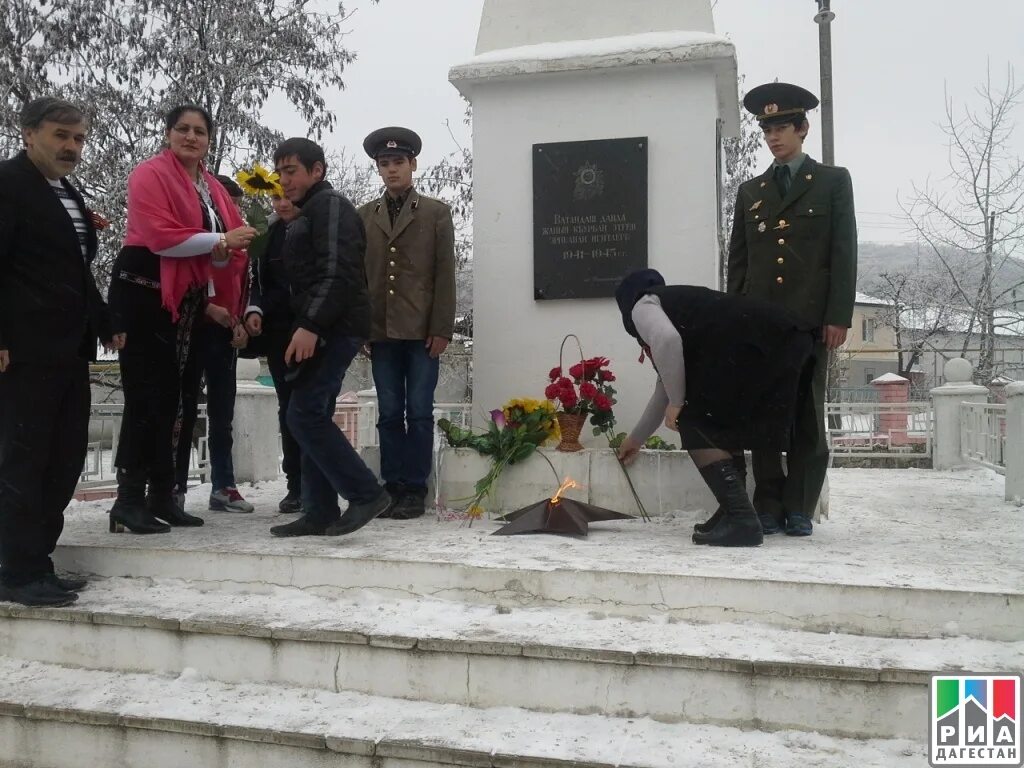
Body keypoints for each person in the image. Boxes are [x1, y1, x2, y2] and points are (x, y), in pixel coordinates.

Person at [107, 105, 256, 534]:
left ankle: (163, 495)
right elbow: (159, 237)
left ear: (210, 138)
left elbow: (214, 246)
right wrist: (221, 240)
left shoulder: (210, 187)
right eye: (183, 129)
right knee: (147, 397)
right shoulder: (150, 174)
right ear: (168, 133)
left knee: (183, 400)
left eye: (200, 131)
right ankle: (128, 499)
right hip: (145, 290)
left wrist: (223, 260)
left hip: (188, 300)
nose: (191, 137)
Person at [0, 97, 125, 607]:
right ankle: (16, 569)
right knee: (24, 459)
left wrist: (105, 321)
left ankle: (38, 561)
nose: (71, 147)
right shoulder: (8, 185)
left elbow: (74, 271)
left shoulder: (65, 191)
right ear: (29, 134)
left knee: (64, 456)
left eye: (78, 139)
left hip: (68, 349)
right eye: (60, 135)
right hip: (24, 350)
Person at [726, 82, 857, 537]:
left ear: (802, 129)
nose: (774, 137)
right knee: (762, 413)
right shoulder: (751, 191)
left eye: (782, 127)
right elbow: (738, 262)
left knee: (805, 411)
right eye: (767, 130)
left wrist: (838, 314)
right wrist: (735, 319)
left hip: (809, 322)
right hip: (761, 325)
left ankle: (799, 504)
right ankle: (767, 503)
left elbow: (843, 252)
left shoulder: (831, 182)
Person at [615, 270, 816, 548]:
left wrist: (678, 403)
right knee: (719, 420)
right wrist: (636, 439)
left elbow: (666, 341)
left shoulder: (643, 305)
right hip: (780, 336)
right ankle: (732, 513)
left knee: (696, 421)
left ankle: (741, 518)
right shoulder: (680, 308)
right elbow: (666, 381)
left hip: (763, 341)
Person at [268, 138, 391, 538]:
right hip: (320, 325)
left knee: (303, 413)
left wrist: (312, 326)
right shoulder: (308, 213)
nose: (284, 181)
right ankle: (319, 509)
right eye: (280, 173)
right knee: (309, 415)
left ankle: (366, 493)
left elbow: (338, 273)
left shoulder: (331, 206)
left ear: (316, 171)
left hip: (335, 327)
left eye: (292, 171)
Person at [357, 127, 456, 519]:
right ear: (378, 169)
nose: (392, 169)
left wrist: (442, 328)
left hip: (421, 332)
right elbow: (360, 276)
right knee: (387, 411)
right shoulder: (365, 215)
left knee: (418, 410)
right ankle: (391, 486)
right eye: (384, 164)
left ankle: (415, 488)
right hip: (381, 330)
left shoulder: (435, 212)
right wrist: (362, 326)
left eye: (399, 162)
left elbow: (444, 274)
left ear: (412, 164)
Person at [172, 174, 255, 514]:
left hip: (225, 333)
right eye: (224, 205)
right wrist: (208, 308)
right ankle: (173, 487)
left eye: (233, 204)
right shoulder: (198, 238)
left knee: (223, 414)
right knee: (185, 410)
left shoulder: (242, 246)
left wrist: (241, 322)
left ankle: (224, 486)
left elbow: (244, 286)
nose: (230, 211)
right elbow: (180, 281)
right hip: (192, 328)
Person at [244, 193, 303, 514]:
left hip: (314, 331)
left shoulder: (316, 228)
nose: (282, 204)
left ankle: (317, 482)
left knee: (312, 409)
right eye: (276, 197)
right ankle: (295, 484)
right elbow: (256, 280)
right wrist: (255, 309)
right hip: (279, 334)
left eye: (288, 198)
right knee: (288, 408)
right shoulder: (266, 233)